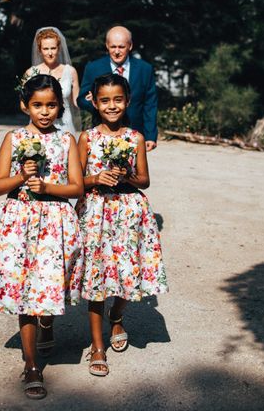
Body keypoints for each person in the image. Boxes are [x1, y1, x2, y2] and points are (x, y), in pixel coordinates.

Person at [0, 74, 85, 399]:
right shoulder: (13, 138)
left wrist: (48, 187)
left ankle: (48, 324)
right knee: (26, 292)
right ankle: (30, 364)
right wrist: (20, 177)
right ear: (24, 105)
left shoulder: (66, 141)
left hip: (55, 221)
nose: (44, 112)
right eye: (37, 105)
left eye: (51, 105)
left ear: (60, 106)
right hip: (18, 223)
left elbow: (77, 187)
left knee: (49, 287)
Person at [76, 73, 168, 377]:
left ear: (127, 101)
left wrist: (126, 175)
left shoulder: (135, 137)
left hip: (129, 212)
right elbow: (75, 181)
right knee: (96, 278)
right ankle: (98, 345)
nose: (112, 106)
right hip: (96, 211)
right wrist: (95, 178)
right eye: (105, 100)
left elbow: (145, 180)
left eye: (118, 99)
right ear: (95, 102)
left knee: (129, 273)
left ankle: (116, 316)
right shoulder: (87, 138)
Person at [78, 26, 158, 151]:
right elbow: (81, 99)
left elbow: (150, 105)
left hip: (135, 133)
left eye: (121, 47)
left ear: (130, 46)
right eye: (113, 47)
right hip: (102, 132)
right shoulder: (93, 68)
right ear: (107, 45)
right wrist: (93, 101)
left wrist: (150, 136)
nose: (116, 51)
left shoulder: (145, 69)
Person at [26, 27, 81, 137]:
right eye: (46, 49)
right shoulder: (31, 73)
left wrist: (91, 99)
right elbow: (24, 105)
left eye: (53, 48)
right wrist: (41, 114)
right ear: (40, 50)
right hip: (40, 123)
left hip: (65, 123)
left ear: (59, 49)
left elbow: (76, 101)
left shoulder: (70, 71)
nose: (50, 53)